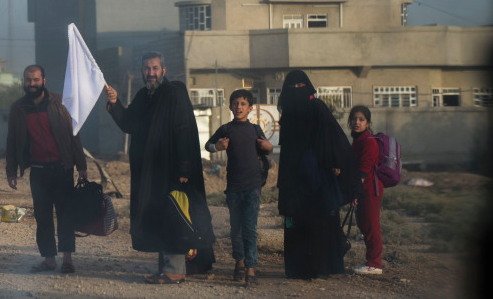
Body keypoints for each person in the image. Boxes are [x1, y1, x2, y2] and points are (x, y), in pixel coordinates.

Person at [104, 52, 214, 284]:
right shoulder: (144, 95)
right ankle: (167, 268)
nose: (150, 73)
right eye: (146, 68)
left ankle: (175, 270)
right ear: (142, 71)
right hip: (150, 173)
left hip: (172, 170)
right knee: (157, 217)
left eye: (155, 68)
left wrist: (185, 170)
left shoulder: (174, 93)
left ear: (163, 70)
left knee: (173, 215)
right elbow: (128, 123)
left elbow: (184, 131)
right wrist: (114, 103)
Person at [276, 70, 362, 279]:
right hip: (293, 178)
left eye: (300, 86)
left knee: (319, 221)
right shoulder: (286, 115)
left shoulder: (317, 107)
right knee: (297, 222)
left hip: (316, 176)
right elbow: (286, 148)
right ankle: (298, 269)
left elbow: (332, 138)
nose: (297, 90)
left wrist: (333, 164)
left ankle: (321, 267)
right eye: (292, 87)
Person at [6, 65, 88, 274]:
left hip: (62, 169)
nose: (31, 84)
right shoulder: (18, 108)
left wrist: (82, 166)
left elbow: (73, 134)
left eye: (35, 80)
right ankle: (49, 260)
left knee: (65, 216)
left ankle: (67, 260)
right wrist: (11, 170)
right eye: (28, 80)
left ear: (44, 80)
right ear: (23, 82)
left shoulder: (59, 103)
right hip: (38, 171)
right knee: (43, 218)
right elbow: (12, 141)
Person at [205, 89, 272, 287]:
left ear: (250, 108)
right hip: (234, 187)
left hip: (253, 186)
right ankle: (239, 263)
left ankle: (251, 268)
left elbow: (267, 148)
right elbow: (207, 145)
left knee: (250, 229)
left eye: (243, 104)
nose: (239, 107)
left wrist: (269, 148)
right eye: (235, 103)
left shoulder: (255, 130)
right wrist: (216, 147)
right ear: (230, 106)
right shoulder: (226, 129)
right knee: (236, 229)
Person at [348, 105, 384, 275]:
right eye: (354, 119)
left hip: (370, 189)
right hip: (363, 189)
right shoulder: (358, 141)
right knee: (364, 226)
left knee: (371, 226)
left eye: (361, 119)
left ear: (368, 123)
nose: (357, 122)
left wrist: (355, 192)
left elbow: (364, 169)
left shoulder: (369, 142)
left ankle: (375, 264)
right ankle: (371, 262)